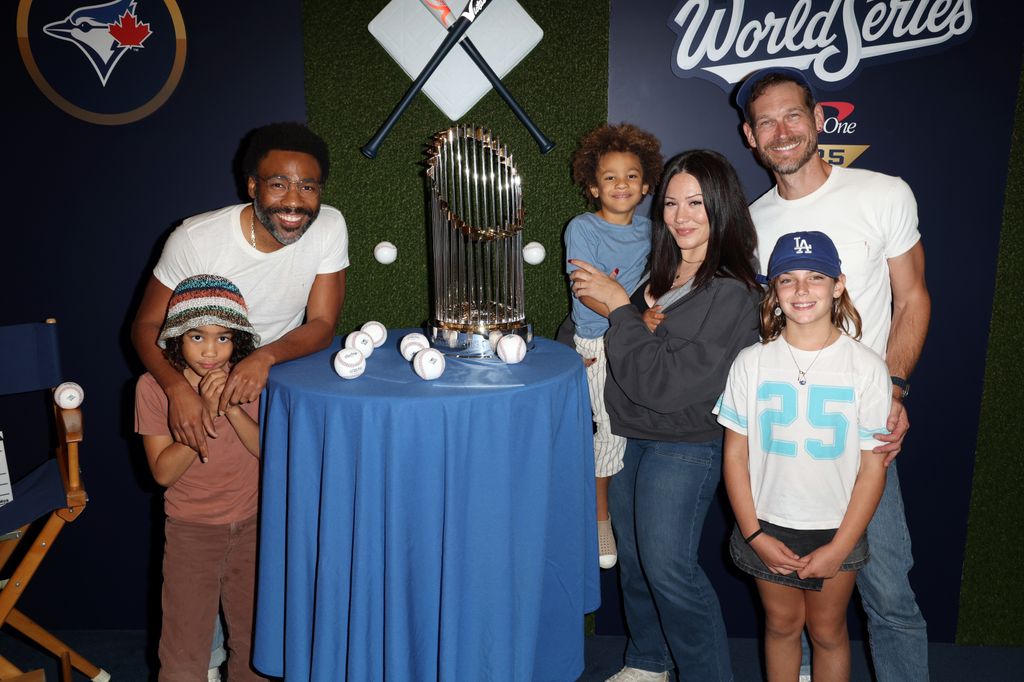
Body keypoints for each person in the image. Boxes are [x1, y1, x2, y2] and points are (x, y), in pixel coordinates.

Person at [737, 67, 931, 682]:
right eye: (766, 121)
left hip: (865, 431)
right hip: (786, 447)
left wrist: (894, 389)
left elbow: (914, 297)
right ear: (750, 136)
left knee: (888, 593)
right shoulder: (748, 224)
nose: (782, 130)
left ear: (818, 120)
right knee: (784, 611)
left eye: (793, 115)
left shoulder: (884, 193)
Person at [569, 150, 761, 682]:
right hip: (631, 434)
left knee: (670, 569)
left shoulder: (733, 292)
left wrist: (620, 310)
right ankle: (649, 661)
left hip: (686, 444)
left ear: (721, 206)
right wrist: (583, 343)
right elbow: (602, 337)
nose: (680, 215)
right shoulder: (660, 268)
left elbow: (665, 385)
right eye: (672, 202)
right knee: (635, 562)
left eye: (696, 202)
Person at [717, 231, 890, 682]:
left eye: (816, 277)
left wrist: (840, 546)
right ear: (772, 291)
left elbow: (874, 466)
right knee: (780, 625)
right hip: (768, 524)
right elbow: (735, 457)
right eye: (787, 279)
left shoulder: (867, 368)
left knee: (829, 631)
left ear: (839, 285)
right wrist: (754, 534)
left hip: (837, 526)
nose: (801, 290)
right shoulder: (750, 363)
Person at [131, 121, 348, 463]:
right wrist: (177, 390)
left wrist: (263, 357)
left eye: (308, 187)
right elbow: (145, 326)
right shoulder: (196, 239)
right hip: (200, 376)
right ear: (252, 185)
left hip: (276, 371)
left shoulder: (329, 227)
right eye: (278, 184)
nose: (294, 201)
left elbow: (322, 324)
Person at [135, 275, 268, 681]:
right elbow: (162, 472)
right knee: (184, 648)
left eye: (223, 337)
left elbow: (268, 452)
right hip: (192, 531)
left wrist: (228, 406)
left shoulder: (248, 381)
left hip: (253, 526)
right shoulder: (153, 388)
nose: (211, 350)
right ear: (176, 337)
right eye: (196, 337)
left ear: (237, 340)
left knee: (253, 644)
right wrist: (204, 408)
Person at [565, 123, 663, 569]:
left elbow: (655, 286)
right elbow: (587, 289)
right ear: (592, 186)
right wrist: (628, 317)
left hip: (638, 335)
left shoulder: (652, 232)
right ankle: (599, 519)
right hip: (597, 340)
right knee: (606, 428)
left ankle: (622, 516)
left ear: (645, 185)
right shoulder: (582, 227)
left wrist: (643, 316)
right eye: (609, 176)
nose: (621, 184)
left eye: (630, 175)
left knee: (629, 430)